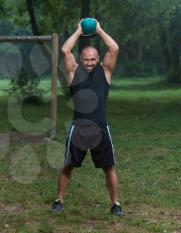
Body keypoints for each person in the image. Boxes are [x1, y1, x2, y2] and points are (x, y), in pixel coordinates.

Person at [50, 19, 123, 216]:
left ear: (98, 59)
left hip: (100, 128)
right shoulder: (74, 73)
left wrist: (98, 29)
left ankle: (115, 204)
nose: (89, 63)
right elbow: (65, 51)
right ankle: (59, 200)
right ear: (80, 60)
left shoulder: (105, 72)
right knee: (68, 166)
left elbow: (114, 48)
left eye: (93, 59)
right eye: (86, 59)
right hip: (78, 129)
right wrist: (78, 31)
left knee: (109, 168)